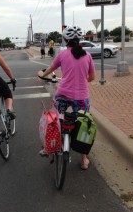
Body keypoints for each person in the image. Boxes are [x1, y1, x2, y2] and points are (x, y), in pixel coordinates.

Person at [38, 25, 96, 170]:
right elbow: (92, 77)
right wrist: (81, 83)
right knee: (83, 125)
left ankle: (48, 147)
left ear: (65, 40)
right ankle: (84, 159)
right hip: (82, 97)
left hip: (63, 94)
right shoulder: (87, 55)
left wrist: (41, 75)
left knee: (54, 119)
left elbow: (50, 69)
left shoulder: (62, 55)